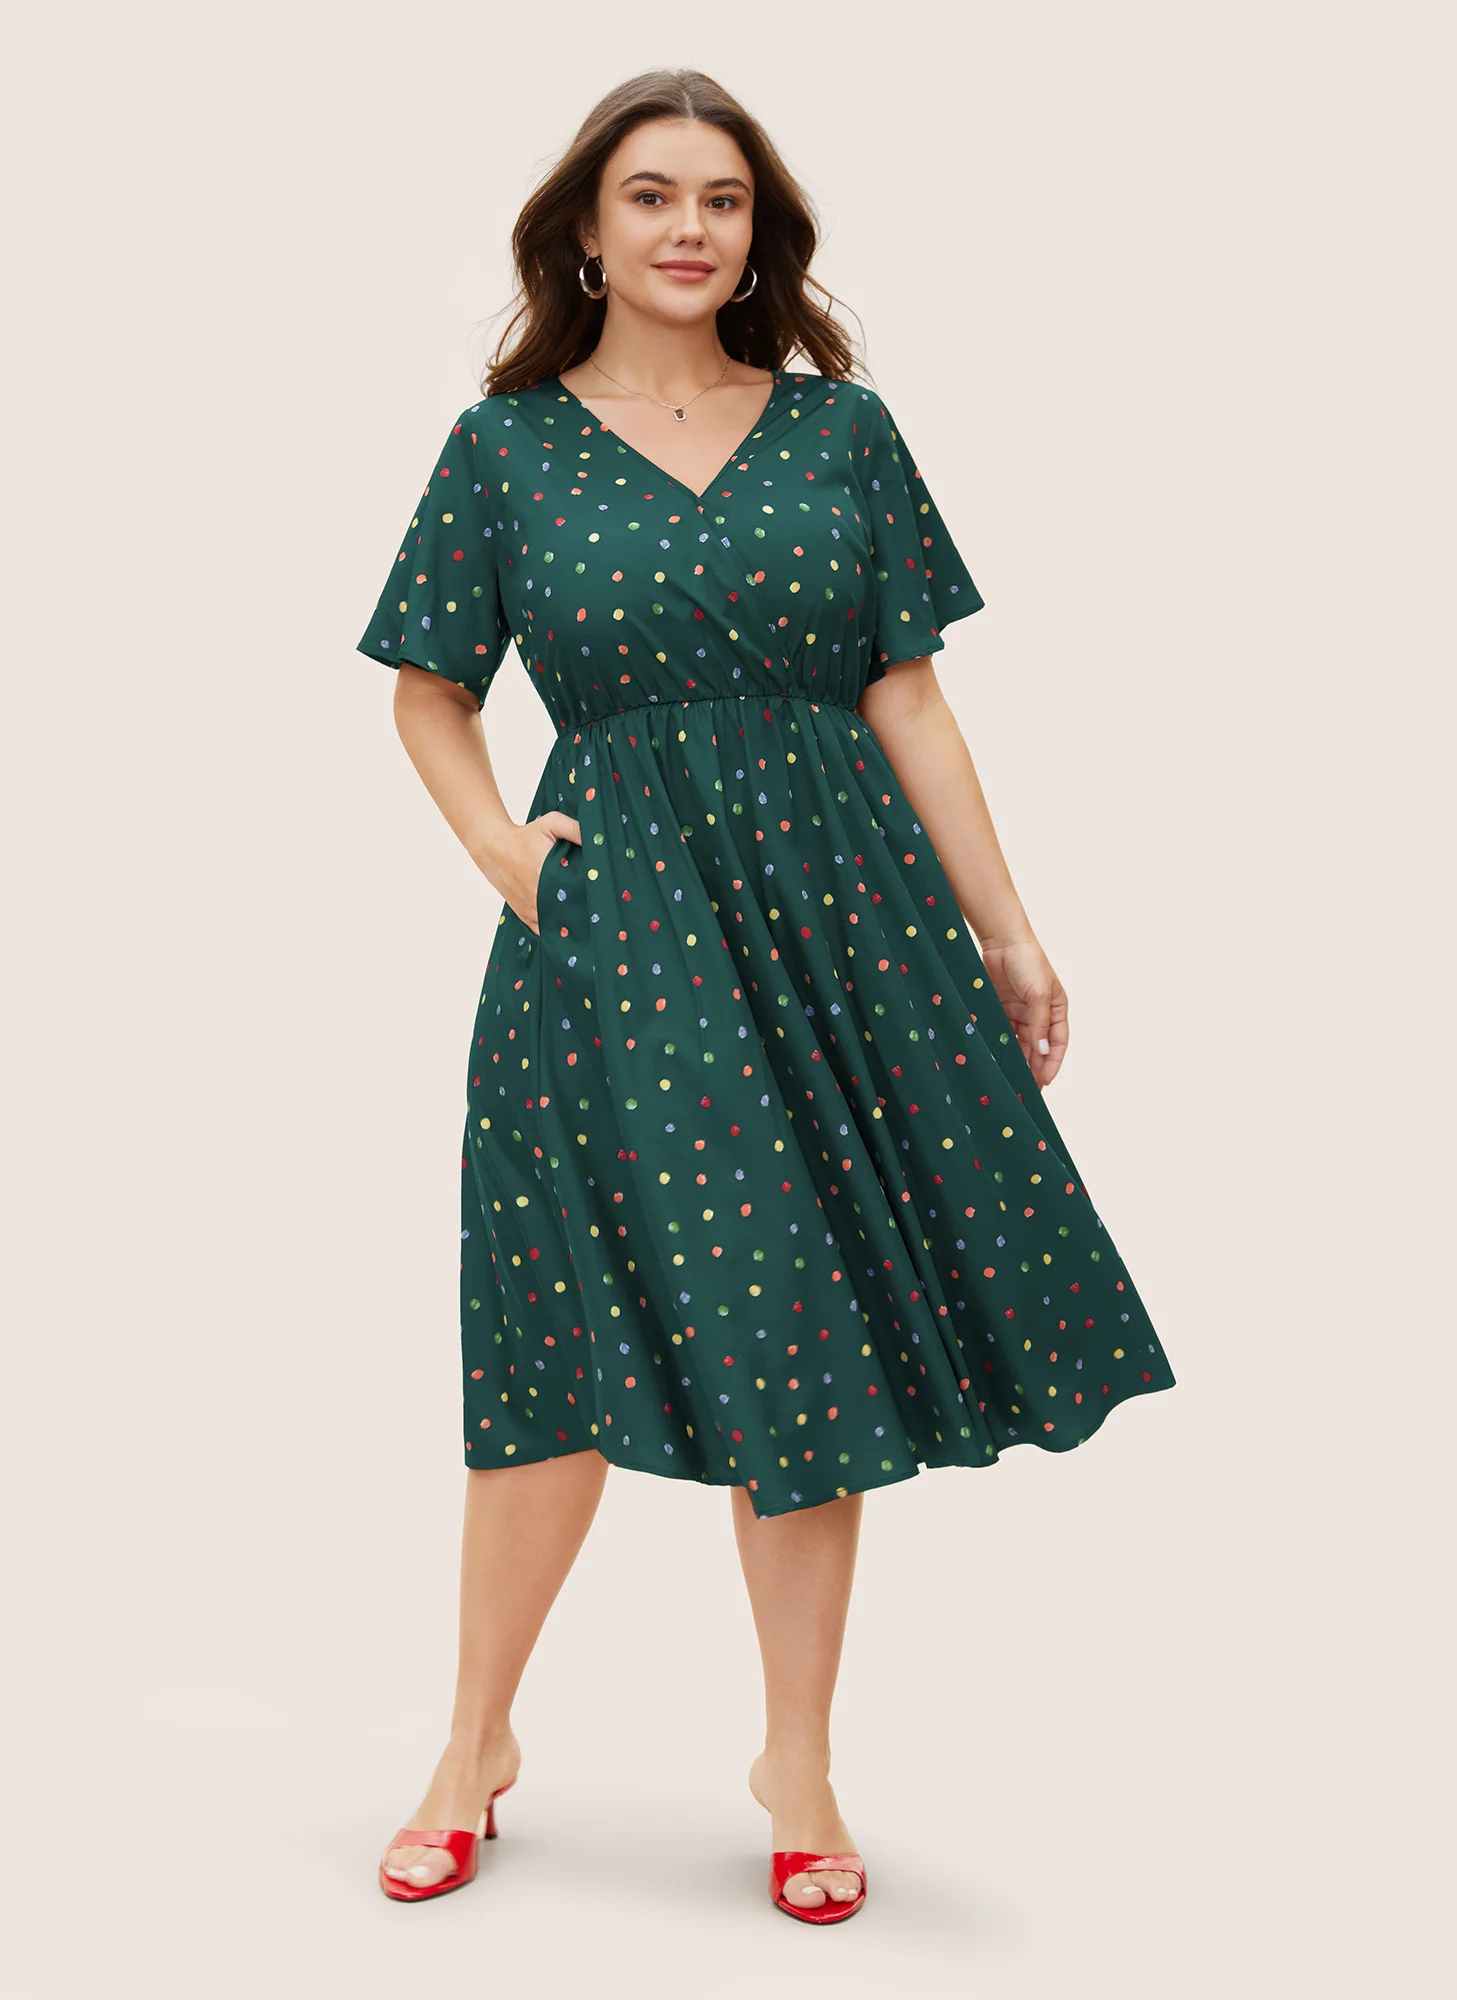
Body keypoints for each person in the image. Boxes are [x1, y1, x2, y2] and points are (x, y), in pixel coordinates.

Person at [355, 67, 1176, 1922]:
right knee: (555, 1339)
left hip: (841, 927)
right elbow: (426, 686)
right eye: (651, 195)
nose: (688, 227)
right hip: (613, 938)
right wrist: (501, 849)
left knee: (803, 1336)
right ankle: (471, 1741)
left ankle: (795, 1762)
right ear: (588, 230)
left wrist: (1010, 931)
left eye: (721, 199)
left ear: (758, 234)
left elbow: (909, 694)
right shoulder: (504, 449)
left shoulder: (839, 433)